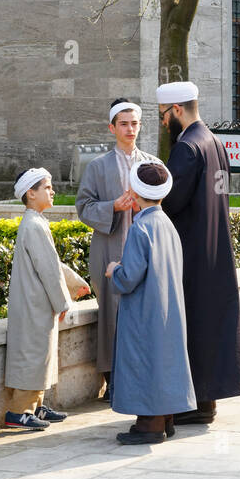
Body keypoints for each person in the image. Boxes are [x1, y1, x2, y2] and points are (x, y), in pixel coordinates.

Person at [157, 80, 240, 425]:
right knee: (209, 326)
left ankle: (192, 403)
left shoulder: (186, 149)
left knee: (192, 327)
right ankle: (206, 403)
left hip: (192, 252)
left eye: (164, 116)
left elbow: (170, 201)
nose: (164, 123)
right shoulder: (214, 143)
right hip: (216, 250)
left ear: (177, 110)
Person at [106, 160, 197, 445]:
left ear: (135, 191)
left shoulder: (140, 227)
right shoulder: (166, 223)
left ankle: (150, 423)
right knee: (164, 359)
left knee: (143, 360)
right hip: (168, 305)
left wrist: (113, 271)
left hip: (144, 309)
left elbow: (129, 277)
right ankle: (166, 418)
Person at [75, 99, 158, 400]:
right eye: (123, 123)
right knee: (111, 314)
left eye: (134, 123)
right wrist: (114, 206)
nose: (130, 129)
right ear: (112, 128)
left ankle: (144, 374)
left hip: (142, 249)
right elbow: (83, 206)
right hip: (110, 248)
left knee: (142, 312)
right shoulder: (98, 166)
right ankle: (114, 381)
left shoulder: (151, 164)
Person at [4, 168, 91, 431]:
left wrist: (76, 284)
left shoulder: (36, 221)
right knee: (32, 355)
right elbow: (49, 269)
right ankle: (18, 412)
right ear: (31, 194)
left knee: (40, 353)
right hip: (33, 303)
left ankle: (36, 407)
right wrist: (64, 302)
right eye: (47, 187)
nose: (52, 191)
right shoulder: (33, 224)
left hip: (37, 302)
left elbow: (51, 263)